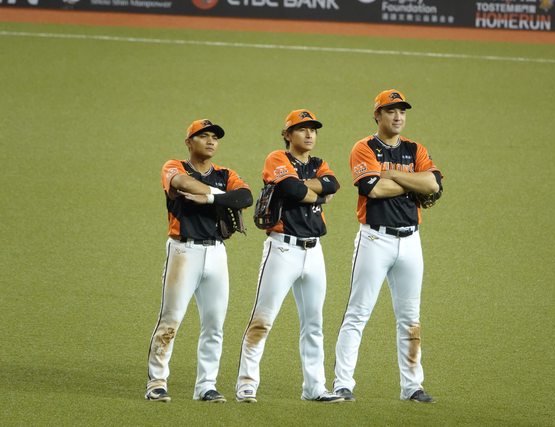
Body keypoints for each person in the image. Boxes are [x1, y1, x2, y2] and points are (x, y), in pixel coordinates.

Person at [333, 89, 443, 403]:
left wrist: (391, 173)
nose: (398, 116)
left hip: (411, 242)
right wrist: (412, 181)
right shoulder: (364, 147)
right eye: (391, 111)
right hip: (374, 240)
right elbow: (373, 189)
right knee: (358, 313)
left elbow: (433, 184)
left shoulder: (415, 149)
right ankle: (343, 384)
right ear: (377, 116)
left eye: (402, 111)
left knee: (410, 318)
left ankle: (412, 386)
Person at [236, 109, 343, 403]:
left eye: (313, 130)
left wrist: (305, 188)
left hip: (314, 252)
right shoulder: (277, 158)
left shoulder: (319, 163)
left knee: (314, 324)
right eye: (302, 129)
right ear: (287, 134)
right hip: (282, 250)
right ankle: (246, 383)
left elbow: (333, 184)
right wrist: (317, 193)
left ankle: (315, 387)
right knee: (262, 319)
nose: (309, 134)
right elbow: (292, 188)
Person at [146, 119, 253, 403]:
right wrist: (222, 197)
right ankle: (157, 382)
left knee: (214, 323)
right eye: (203, 136)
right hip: (183, 252)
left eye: (214, 137)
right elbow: (182, 183)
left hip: (217, 254)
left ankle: (206, 385)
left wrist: (209, 199)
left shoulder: (225, 174)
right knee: (170, 320)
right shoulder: (175, 166)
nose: (210, 141)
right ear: (188, 142)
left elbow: (245, 197)